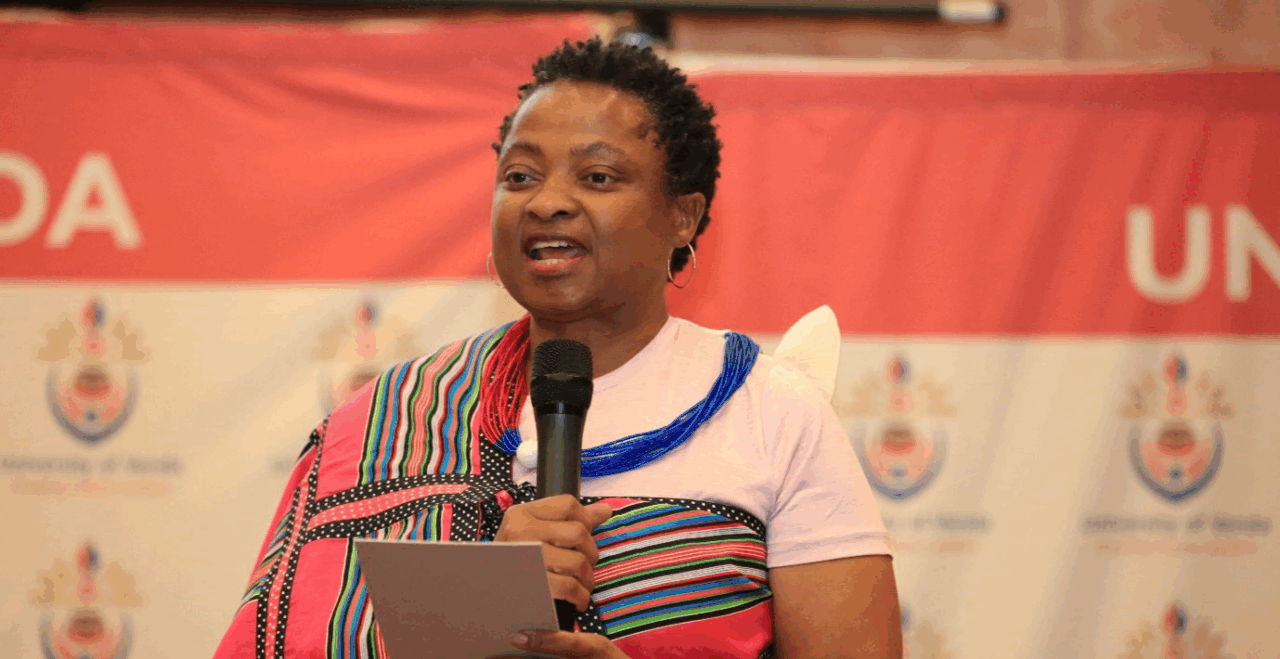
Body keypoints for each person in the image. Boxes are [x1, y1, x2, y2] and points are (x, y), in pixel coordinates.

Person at [213, 37, 900, 659]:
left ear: (682, 217)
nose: (547, 202)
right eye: (520, 176)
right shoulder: (383, 421)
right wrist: (479, 610)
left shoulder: (771, 413)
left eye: (597, 177)